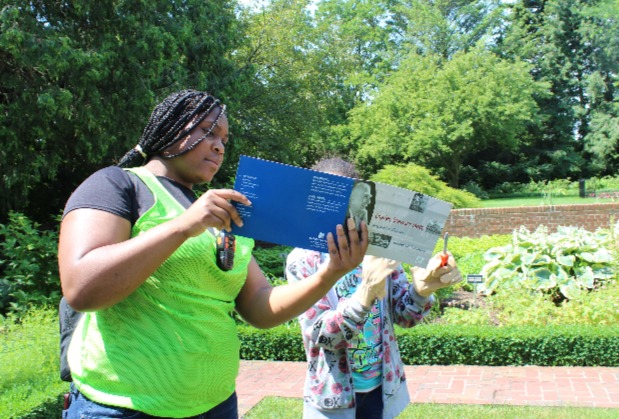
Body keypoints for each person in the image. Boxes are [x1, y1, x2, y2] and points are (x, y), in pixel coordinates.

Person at [58, 90, 369, 419]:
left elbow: (260, 308)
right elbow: (82, 287)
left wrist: (330, 272)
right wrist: (183, 226)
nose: (220, 145)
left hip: (217, 404)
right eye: (208, 131)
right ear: (169, 131)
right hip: (123, 407)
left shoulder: (223, 213)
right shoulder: (118, 185)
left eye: (224, 138)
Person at [285, 157, 463, 419]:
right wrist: (365, 294)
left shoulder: (382, 250)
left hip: (382, 388)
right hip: (332, 398)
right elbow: (323, 336)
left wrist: (421, 291)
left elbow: (405, 317)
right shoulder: (302, 260)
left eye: (347, 199)